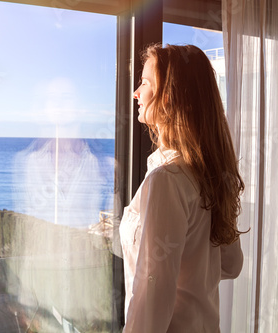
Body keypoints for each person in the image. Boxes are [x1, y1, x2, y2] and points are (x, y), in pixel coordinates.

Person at [119, 44, 245, 332]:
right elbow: (230, 264)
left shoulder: (167, 179)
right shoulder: (206, 173)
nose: (136, 93)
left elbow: (152, 296)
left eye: (145, 83)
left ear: (170, 97)